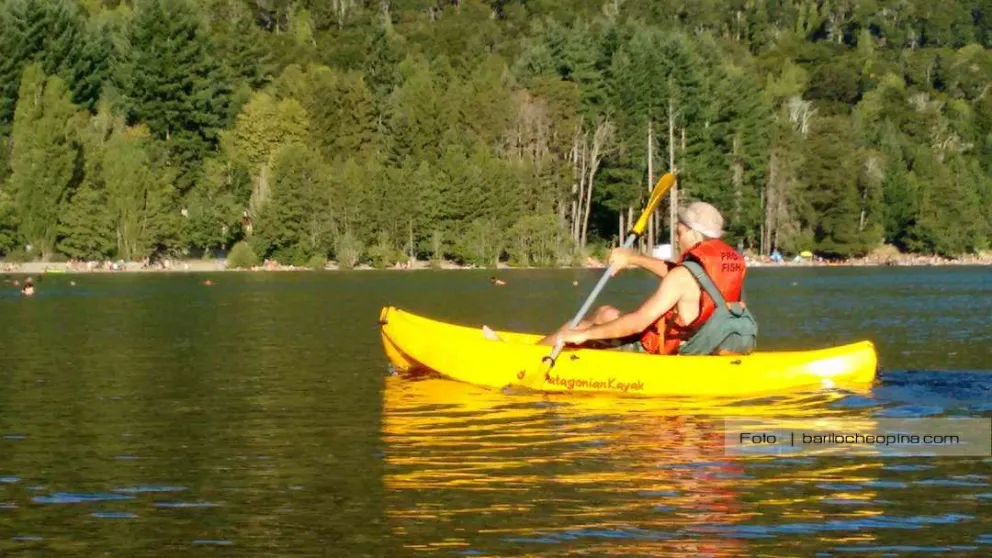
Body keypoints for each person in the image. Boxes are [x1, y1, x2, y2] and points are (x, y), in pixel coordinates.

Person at [539, 201, 757, 356]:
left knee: (576, 328)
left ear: (693, 233)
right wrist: (633, 258)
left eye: (679, 233)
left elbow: (637, 323)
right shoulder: (729, 266)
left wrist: (585, 335)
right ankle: (537, 347)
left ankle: (528, 355)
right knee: (605, 312)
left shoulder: (682, 277)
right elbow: (689, 280)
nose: (677, 240)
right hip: (705, 341)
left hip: (668, 350)